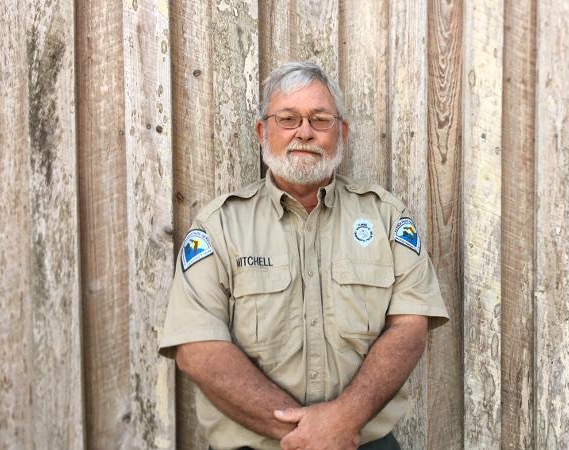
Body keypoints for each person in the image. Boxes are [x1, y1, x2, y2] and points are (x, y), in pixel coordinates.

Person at [158, 61, 449, 450]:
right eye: (288, 119)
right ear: (263, 131)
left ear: (341, 132)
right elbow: (197, 350)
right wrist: (307, 434)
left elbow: (409, 328)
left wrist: (343, 419)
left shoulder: (386, 217)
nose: (305, 132)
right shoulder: (220, 226)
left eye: (320, 119)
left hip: (361, 441)